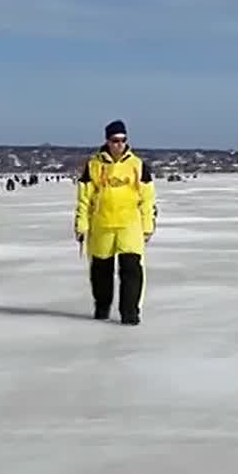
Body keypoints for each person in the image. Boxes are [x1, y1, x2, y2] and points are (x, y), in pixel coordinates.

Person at [74, 120, 156, 325]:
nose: (119, 144)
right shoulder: (93, 165)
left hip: (129, 224)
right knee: (101, 270)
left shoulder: (137, 165)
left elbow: (147, 198)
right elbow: (84, 197)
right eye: (115, 140)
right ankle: (102, 307)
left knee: (131, 269)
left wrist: (148, 226)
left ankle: (130, 313)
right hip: (102, 224)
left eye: (122, 140)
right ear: (107, 141)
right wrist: (81, 225)